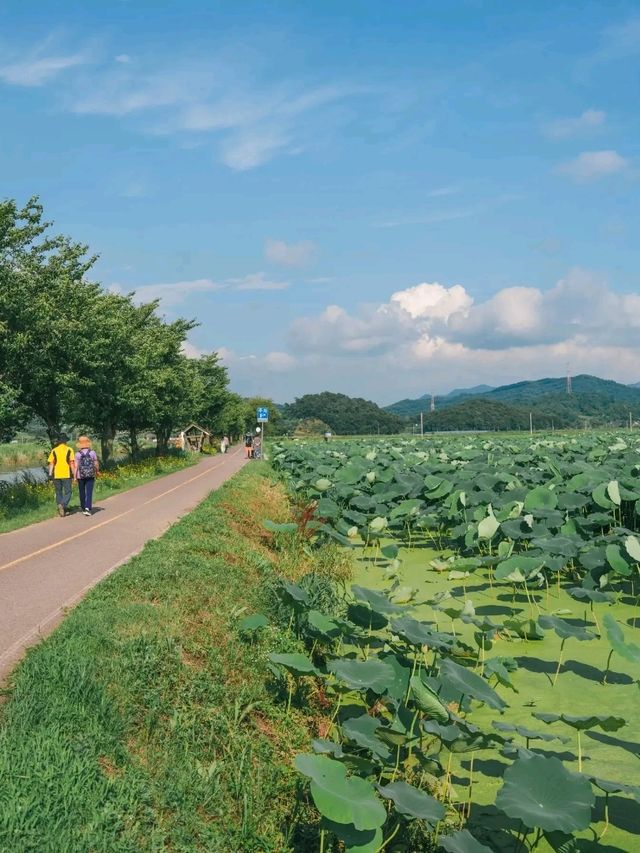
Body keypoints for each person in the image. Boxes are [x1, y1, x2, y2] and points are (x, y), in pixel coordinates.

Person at [47, 433, 76, 517]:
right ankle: (63, 505)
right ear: (65, 441)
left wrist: (50, 475)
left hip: (56, 474)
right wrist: (74, 475)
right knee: (68, 492)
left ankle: (60, 505)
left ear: (59, 441)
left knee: (58, 491)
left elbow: (51, 463)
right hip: (66, 474)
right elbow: (71, 463)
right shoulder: (69, 450)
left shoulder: (54, 450)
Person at [75, 436, 99, 517]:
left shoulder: (77, 454)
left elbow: (76, 466)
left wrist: (74, 477)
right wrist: (97, 471)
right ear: (88, 443)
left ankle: (83, 507)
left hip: (80, 476)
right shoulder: (92, 453)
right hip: (90, 475)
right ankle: (87, 508)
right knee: (89, 492)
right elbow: (96, 463)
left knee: (81, 492)